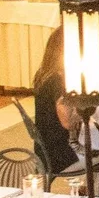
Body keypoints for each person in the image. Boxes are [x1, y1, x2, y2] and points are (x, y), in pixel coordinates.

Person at [32, 29, 85, 176]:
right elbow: (67, 122)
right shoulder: (57, 80)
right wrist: (85, 109)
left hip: (45, 150)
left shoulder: (42, 74)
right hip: (62, 156)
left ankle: (87, 189)